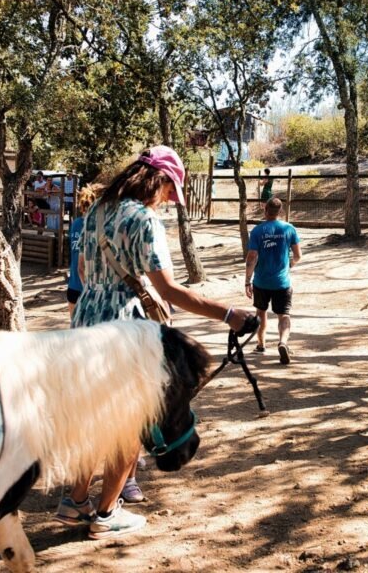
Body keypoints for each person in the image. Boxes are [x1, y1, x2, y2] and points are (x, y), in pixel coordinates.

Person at [54, 145, 254, 539]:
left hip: (85, 321)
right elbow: (170, 289)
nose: (167, 201)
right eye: (169, 192)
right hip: (123, 330)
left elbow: (80, 268)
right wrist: (229, 314)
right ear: (158, 181)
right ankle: (106, 515)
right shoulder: (143, 219)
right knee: (130, 426)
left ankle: (75, 502)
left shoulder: (96, 211)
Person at [245, 197, 301, 364]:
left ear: (265, 210)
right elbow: (298, 256)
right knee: (284, 314)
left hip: (261, 282)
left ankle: (261, 345)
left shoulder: (257, 231)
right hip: (282, 282)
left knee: (261, 313)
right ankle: (283, 342)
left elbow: (252, 257)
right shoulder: (289, 229)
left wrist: (247, 280)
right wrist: (289, 265)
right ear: (280, 212)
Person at [66, 184, 101, 318]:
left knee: (75, 332)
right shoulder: (97, 226)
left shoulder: (76, 224)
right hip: (91, 288)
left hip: (73, 286)